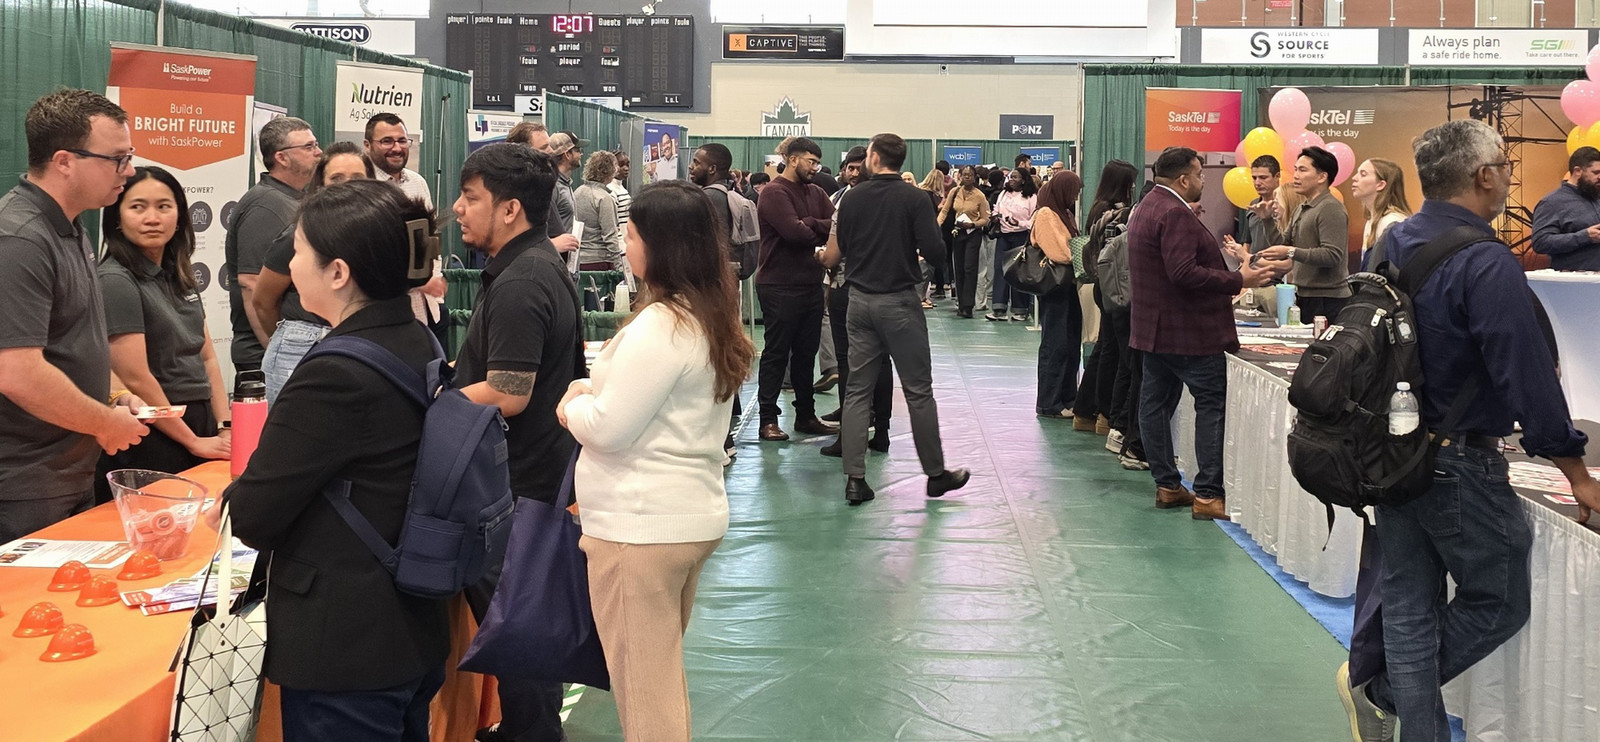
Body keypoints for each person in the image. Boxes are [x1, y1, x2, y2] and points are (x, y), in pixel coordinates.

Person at [1340, 118, 1600, 742]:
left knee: (1408, 601)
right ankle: (1382, 693)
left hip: (1392, 449)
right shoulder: (1484, 260)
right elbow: (1526, 372)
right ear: (1485, 177)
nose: (1508, 176)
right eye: (1505, 166)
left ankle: (1401, 710)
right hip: (1458, 460)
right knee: (1499, 598)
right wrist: (1576, 473)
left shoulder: (1392, 245)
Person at [225, 181, 448, 742]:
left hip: (347, 641)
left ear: (338, 272)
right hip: (409, 620)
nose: (290, 263)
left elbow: (255, 514)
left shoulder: (335, 372)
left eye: (298, 250)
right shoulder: (417, 339)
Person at [556, 180, 755, 742]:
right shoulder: (708, 313)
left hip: (640, 528)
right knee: (658, 682)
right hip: (685, 517)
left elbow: (611, 429)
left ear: (659, 245)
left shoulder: (660, 325)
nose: (626, 243)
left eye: (633, 233)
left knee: (647, 697)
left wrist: (573, 403)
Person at [451, 143, 579, 742]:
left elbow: (509, 391)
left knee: (518, 618)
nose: (457, 209)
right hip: (529, 474)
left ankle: (532, 732)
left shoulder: (523, 279)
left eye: (471, 197)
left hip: (515, 482)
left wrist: (428, 403)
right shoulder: (530, 265)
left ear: (509, 210)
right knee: (525, 613)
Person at [0, 89, 147, 543]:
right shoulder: (20, 239)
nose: (131, 171)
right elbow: (15, 372)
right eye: (118, 159)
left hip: (67, 472)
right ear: (64, 161)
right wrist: (105, 423)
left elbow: (67, 344)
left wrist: (110, 398)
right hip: (24, 484)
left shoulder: (70, 226)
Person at [1128, 147, 1285, 520]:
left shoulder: (1147, 206)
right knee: (1210, 406)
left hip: (1156, 330)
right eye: (1200, 175)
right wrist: (1238, 279)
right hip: (1191, 333)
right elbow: (1183, 272)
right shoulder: (1174, 213)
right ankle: (1208, 494)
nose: (1203, 181)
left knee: (1154, 405)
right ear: (1184, 179)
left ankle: (1167, 485)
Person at [832, 133, 970, 506]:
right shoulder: (914, 198)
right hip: (898, 303)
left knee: (857, 390)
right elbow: (936, 254)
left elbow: (839, 247)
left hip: (858, 301)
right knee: (918, 391)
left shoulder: (852, 197)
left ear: (873, 158)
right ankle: (935, 475)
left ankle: (855, 479)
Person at [94, 167, 230, 503]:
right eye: (138, 207)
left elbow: (207, 356)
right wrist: (192, 441)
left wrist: (224, 423)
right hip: (153, 433)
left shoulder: (178, 273)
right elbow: (135, 377)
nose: (152, 218)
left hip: (199, 423)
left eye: (164, 207)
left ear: (181, 216)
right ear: (117, 218)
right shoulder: (116, 280)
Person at [254, 142, 374, 403]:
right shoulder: (298, 234)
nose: (348, 186)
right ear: (321, 185)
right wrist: (290, 339)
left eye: (357, 178)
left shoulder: (379, 234)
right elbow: (263, 300)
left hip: (363, 344)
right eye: (337, 178)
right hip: (299, 348)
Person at [753, 137, 837, 442]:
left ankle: (805, 416)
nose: (815, 167)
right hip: (778, 285)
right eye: (810, 161)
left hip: (810, 284)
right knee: (777, 354)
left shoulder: (816, 192)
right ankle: (767, 420)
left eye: (817, 162)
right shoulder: (774, 192)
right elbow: (794, 233)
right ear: (791, 160)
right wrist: (816, 227)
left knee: (806, 354)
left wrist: (811, 221)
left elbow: (835, 224)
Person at [227, 116, 320, 372]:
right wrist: (276, 353)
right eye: (309, 147)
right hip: (266, 355)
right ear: (282, 157)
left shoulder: (292, 199)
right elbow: (252, 284)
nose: (318, 152)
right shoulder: (266, 205)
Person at [818, 145, 894, 458]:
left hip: (849, 287)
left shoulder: (848, 203)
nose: (851, 172)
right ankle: (883, 431)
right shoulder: (897, 201)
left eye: (855, 167)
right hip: (887, 291)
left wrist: (820, 256)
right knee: (881, 361)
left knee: (851, 364)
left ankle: (850, 438)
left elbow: (832, 256)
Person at [1071, 159, 1139, 435]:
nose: (1133, 186)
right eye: (1130, 181)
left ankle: (1086, 410)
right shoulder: (1115, 213)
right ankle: (1104, 412)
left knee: (1103, 349)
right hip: (1114, 286)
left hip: (1103, 285)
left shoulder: (1098, 208)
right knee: (1113, 352)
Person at [1260, 146, 1350, 323]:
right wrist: (1267, 220)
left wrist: (1291, 252)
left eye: (1302, 170)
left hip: (1328, 300)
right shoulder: (1301, 208)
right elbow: (1282, 242)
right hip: (1304, 295)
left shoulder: (1330, 208)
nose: (1295, 175)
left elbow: (1333, 255)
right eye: (1295, 169)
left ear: (1322, 177)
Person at [1031, 171, 1085, 419]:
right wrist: (1081, 253)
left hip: (1068, 286)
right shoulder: (1045, 214)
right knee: (1056, 344)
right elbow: (1059, 253)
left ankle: (1067, 396)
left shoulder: (1064, 214)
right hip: (1055, 288)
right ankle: (1049, 402)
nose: (1075, 197)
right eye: (1072, 191)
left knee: (1071, 343)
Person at [506, 122, 581, 256]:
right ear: (524, 152)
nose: (551, 152)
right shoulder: (512, 191)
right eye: (544, 147)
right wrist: (551, 246)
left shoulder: (538, 185)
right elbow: (504, 247)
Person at [1530, 145, 1600, 271]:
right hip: (1574, 284)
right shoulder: (1551, 203)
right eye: (1596, 173)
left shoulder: (1597, 197)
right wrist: (1585, 236)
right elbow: (1540, 242)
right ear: (1577, 171)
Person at [936, 166, 991, 317]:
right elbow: (945, 211)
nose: (967, 177)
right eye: (964, 175)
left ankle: (968, 305)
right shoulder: (954, 192)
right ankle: (960, 303)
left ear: (975, 177)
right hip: (958, 232)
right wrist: (936, 226)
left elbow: (985, 219)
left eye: (970, 175)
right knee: (958, 268)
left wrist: (973, 224)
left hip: (973, 233)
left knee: (969, 268)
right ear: (960, 176)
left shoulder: (980, 196)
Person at [988, 167, 1039, 322]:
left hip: (1021, 236)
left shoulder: (1031, 197)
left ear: (1023, 180)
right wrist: (995, 216)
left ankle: (1020, 309)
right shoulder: (1003, 194)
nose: (1011, 179)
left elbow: (1033, 221)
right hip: (1003, 235)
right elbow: (996, 208)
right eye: (1010, 176)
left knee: (1018, 270)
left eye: (1015, 177)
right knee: (1000, 268)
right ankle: (999, 308)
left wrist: (1019, 223)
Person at [1351, 157, 1412, 270]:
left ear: (1381, 184)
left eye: (1363, 174)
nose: (1354, 178)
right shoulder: (1371, 221)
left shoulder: (1393, 223)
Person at [363, 112, 433, 209]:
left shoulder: (417, 182)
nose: (397, 149)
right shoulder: (360, 186)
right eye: (387, 141)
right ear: (367, 146)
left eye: (402, 141)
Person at [573, 151, 623, 275]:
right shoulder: (604, 198)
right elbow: (610, 236)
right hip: (599, 261)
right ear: (610, 171)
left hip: (578, 260)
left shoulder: (577, 192)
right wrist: (620, 267)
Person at [609, 150, 633, 229]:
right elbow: (612, 222)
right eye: (621, 165)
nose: (626, 168)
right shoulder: (610, 189)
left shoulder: (621, 187)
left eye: (627, 164)